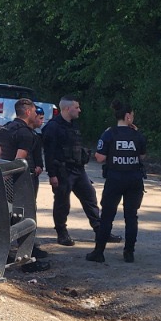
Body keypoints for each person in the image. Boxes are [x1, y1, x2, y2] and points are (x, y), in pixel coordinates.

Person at [41, 97, 104, 247]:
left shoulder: (73, 125)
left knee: (90, 197)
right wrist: (52, 175)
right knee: (62, 203)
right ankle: (61, 233)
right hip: (62, 171)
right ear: (67, 108)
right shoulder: (53, 127)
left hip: (78, 169)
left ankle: (100, 231)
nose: (79, 110)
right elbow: (48, 153)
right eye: (77, 107)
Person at [88, 101, 146, 263]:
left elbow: (100, 158)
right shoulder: (138, 135)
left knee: (107, 216)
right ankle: (129, 253)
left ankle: (99, 252)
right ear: (128, 117)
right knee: (131, 216)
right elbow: (142, 156)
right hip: (134, 180)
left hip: (114, 180)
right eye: (132, 115)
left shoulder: (109, 134)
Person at [0, 98, 46, 230]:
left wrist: (1, 174)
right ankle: (24, 238)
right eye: (34, 112)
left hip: (5, 174)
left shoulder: (5, 127)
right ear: (28, 112)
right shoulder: (26, 133)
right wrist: (10, 176)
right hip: (21, 179)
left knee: (5, 209)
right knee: (26, 210)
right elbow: (19, 160)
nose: (35, 114)